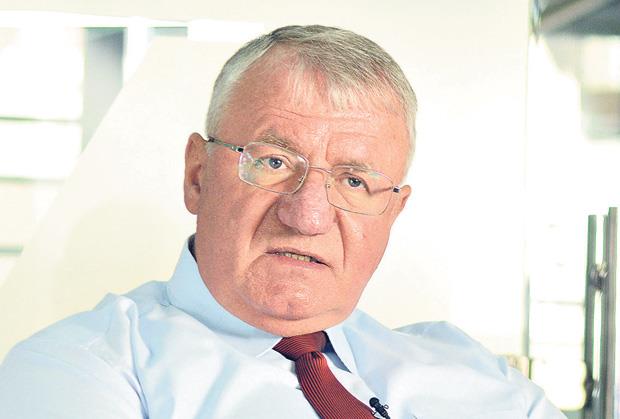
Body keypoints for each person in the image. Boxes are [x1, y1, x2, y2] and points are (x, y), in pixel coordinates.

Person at [0, 25, 565, 419]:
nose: (307, 215)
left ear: (393, 212)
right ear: (198, 176)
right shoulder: (79, 370)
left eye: (354, 181)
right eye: (273, 162)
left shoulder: (476, 376)